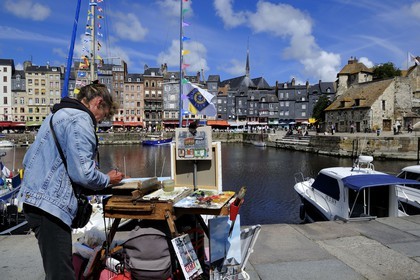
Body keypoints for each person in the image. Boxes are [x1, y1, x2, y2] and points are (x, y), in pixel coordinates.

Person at [18, 82, 125, 280]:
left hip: (36, 201)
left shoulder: (57, 115)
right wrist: (108, 179)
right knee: (61, 274)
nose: (101, 120)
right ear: (98, 102)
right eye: (105, 115)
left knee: (57, 269)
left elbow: (28, 159)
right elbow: (83, 174)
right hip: (49, 206)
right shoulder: (81, 119)